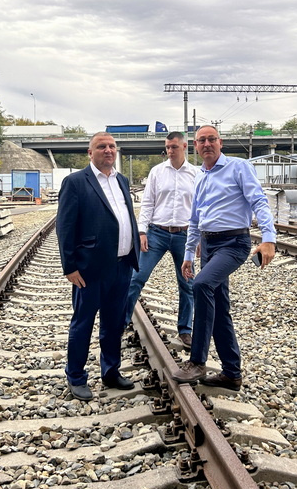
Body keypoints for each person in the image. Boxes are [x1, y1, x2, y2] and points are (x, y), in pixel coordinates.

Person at [171, 125, 276, 391]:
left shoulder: (238, 167)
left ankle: (197, 361)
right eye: (201, 140)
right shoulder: (200, 176)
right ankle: (231, 374)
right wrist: (188, 255)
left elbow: (259, 201)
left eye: (211, 139)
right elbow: (195, 219)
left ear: (221, 142)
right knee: (219, 308)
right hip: (208, 245)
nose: (207, 144)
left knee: (201, 285)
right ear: (196, 146)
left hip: (233, 243)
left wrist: (269, 238)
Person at [56, 132, 141, 401]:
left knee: (114, 323)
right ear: (90, 152)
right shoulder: (75, 182)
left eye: (112, 146)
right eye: (101, 146)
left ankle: (111, 371)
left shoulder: (121, 180)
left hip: (122, 266)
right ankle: (76, 376)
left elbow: (125, 217)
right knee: (83, 323)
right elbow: (65, 226)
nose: (108, 150)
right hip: (90, 269)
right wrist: (70, 266)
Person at [124, 131, 197, 348]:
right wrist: (142, 232)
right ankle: (121, 322)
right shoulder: (157, 172)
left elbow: (200, 208)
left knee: (187, 284)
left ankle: (185, 330)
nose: (170, 151)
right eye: (167, 147)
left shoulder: (196, 174)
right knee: (136, 278)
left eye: (174, 147)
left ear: (184, 146)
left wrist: (198, 238)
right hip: (157, 232)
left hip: (184, 235)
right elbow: (147, 203)